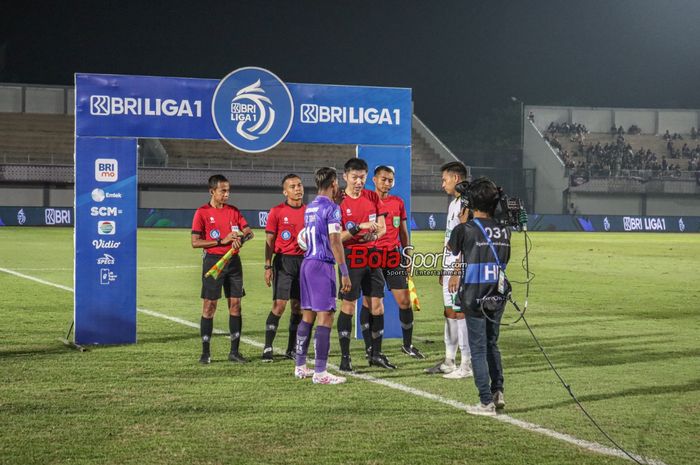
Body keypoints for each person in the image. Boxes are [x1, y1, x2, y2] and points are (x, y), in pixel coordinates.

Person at [447, 177, 511, 416]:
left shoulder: (465, 229)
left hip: (474, 294)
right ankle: (498, 391)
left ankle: (485, 402)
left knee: (478, 349)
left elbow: (452, 250)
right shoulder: (505, 230)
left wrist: (463, 222)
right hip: (498, 294)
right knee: (492, 343)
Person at [293, 167, 351, 384]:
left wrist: (338, 205)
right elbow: (335, 241)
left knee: (307, 315)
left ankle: (300, 366)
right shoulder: (332, 208)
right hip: (322, 266)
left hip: (307, 264)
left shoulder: (310, 207)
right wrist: (344, 272)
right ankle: (320, 372)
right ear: (334, 183)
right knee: (325, 316)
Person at [337, 157, 395, 371]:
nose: (359, 182)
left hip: (372, 256)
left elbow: (382, 227)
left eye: (362, 177)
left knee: (377, 306)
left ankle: (376, 354)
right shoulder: (339, 202)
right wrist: (357, 229)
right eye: (355, 177)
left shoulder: (372, 196)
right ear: (345, 177)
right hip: (350, 257)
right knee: (349, 306)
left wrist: (374, 236)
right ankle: (345, 358)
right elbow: (337, 238)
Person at [191, 174, 254, 364]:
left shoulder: (233, 211)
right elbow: (195, 242)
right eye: (223, 191)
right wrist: (221, 240)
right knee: (209, 306)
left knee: (235, 305)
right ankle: (205, 353)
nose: (227, 194)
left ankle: (234, 352)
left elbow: (249, 231)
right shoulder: (201, 212)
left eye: (228, 190)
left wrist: (240, 239)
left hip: (233, 263)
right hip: (213, 262)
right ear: (212, 191)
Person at [364, 165, 424, 358]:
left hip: (393, 257)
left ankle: (407, 345)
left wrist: (407, 256)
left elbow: (403, 232)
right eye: (383, 179)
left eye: (390, 180)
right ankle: (369, 347)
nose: (387, 183)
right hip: (371, 256)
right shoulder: (365, 201)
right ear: (374, 180)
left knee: (405, 301)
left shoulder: (398, 202)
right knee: (370, 303)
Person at [425, 162, 472, 379]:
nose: (442, 184)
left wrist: (457, 270)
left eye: (445, 179)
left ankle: (467, 364)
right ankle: (449, 361)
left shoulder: (467, 202)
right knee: (449, 312)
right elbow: (450, 238)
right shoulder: (454, 203)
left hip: (459, 267)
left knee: (460, 313)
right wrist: (444, 267)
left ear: (456, 178)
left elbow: (467, 239)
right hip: (449, 264)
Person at [261, 174, 306, 362]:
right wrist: (267, 266)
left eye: (300, 185)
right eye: (293, 186)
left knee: (298, 308)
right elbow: (269, 241)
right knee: (279, 306)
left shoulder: (310, 212)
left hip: (304, 262)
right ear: (285, 191)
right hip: (283, 262)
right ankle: (267, 347)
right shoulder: (277, 212)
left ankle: (291, 349)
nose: (298, 189)